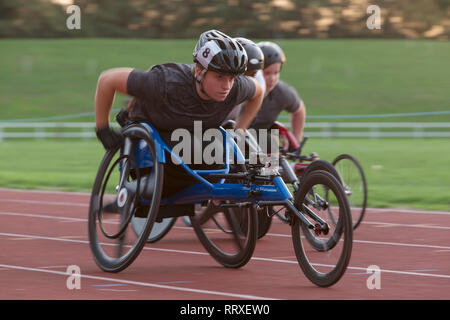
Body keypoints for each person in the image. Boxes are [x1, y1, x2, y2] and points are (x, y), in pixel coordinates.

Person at [94, 30, 264, 198]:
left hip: (194, 136)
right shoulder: (164, 82)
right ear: (199, 72)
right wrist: (103, 128)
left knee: (220, 152)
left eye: (232, 78)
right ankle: (152, 184)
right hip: (155, 132)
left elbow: (259, 91)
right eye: (219, 77)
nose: (227, 86)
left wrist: (239, 130)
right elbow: (107, 80)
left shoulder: (236, 88)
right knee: (193, 148)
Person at [249, 41, 306, 146]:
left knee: (271, 141)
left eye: (276, 73)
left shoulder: (281, 91)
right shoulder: (241, 89)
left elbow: (299, 110)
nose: (272, 79)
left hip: (262, 144)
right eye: (266, 73)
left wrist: (296, 140)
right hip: (234, 141)